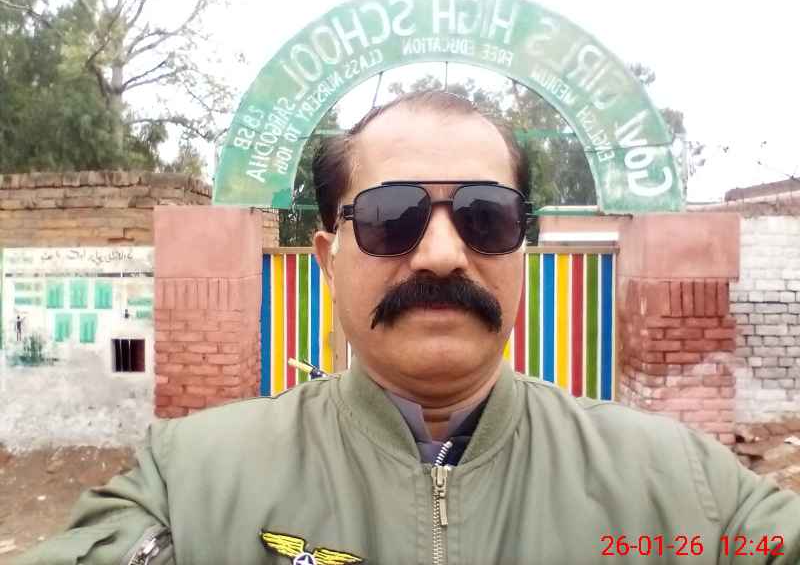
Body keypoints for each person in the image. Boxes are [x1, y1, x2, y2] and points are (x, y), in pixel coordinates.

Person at [17, 91, 800, 565]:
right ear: (328, 258)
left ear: (522, 250)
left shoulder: (684, 491)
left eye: (485, 216)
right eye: (392, 216)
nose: (441, 252)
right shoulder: (186, 484)